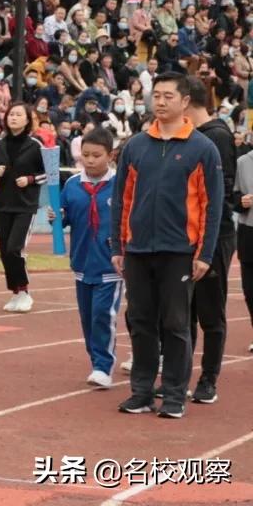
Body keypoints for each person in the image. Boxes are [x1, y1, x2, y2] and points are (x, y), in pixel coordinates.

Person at [111, 72, 223, 419]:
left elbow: (211, 205)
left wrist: (204, 253)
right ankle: (142, 391)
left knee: (175, 325)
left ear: (185, 101)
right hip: (138, 250)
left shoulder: (202, 148)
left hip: (179, 251)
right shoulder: (136, 146)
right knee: (141, 320)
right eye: (155, 95)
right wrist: (118, 245)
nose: (159, 102)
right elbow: (122, 199)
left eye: (167, 96)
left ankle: (174, 394)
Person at [49, 127, 122, 389]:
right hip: (82, 261)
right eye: (86, 155)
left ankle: (104, 365)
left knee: (104, 314)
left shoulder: (120, 184)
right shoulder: (72, 185)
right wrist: (57, 217)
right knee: (88, 318)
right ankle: (96, 362)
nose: (90, 160)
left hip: (110, 263)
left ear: (110, 155)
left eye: (96, 155)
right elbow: (65, 216)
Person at [185, 76, 237, 405]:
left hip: (213, 237)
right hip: (184, 235)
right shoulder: (186, 137)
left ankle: (208, 378)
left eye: (168, 98)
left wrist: (208, 243)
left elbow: (221, 192)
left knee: (209, 310)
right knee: (182, 311)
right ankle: (178, 376)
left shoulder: (215, 136)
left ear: (187, 101)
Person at [0, 102, 44, 313]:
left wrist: (29, 179)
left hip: (25, 205)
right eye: (11, 114)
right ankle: (15, 292)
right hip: (3, 203)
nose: (14, 118)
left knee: (14, 248)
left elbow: (48, 173)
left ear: (27, 120)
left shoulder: (35, 145)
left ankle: (25, 291)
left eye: (19, 115)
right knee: (4, 251)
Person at [233, 146, 253, 354]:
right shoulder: (243, 162)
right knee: (250, 290)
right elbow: (233, 196)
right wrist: (241, 201)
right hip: (249, 231)